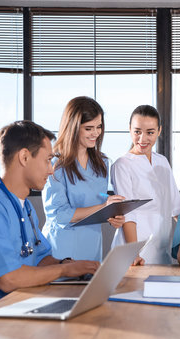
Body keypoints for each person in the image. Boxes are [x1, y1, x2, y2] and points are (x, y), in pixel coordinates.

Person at [0, 121, 100, 321]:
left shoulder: (24, 206)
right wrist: (64, 270)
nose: (51, 170)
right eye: (48, 160)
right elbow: (8, 279)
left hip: (15, 306)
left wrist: (72, 265)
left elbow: (39, 258)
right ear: (25, 157)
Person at [42, 96, 125, 262]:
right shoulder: (54, 164)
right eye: (89, 128)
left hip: (92, 247)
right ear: (73, 128)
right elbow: (59, 215)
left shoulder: (102, 163)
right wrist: (103, 207)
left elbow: (97, 200)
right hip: (62, 249)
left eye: (99, 127)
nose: (96, 133)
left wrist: (112, 215)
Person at [111, 105, 180, 265]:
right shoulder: (122, 165)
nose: (142, 139)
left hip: (162, 251)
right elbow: (127, 213)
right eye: (137, 131)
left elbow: (176, 207)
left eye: (150, 132)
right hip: (135, 253)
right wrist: (133, 253)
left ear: (159, 131)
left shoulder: (162, 161)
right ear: (129, 129)